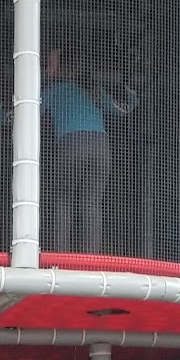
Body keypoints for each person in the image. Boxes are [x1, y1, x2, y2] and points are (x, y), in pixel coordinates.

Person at [37, 46, 134, 255]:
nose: (46, 68)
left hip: (70, 144)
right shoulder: (93, 91)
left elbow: (29, 110)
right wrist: (131, 90)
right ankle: (91, 259)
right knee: (92, 204)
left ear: (62, 67)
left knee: (63, 200)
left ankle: (61, 258)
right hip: (101, 146)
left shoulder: (54, 90)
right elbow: (123, 109)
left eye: (49, 64)